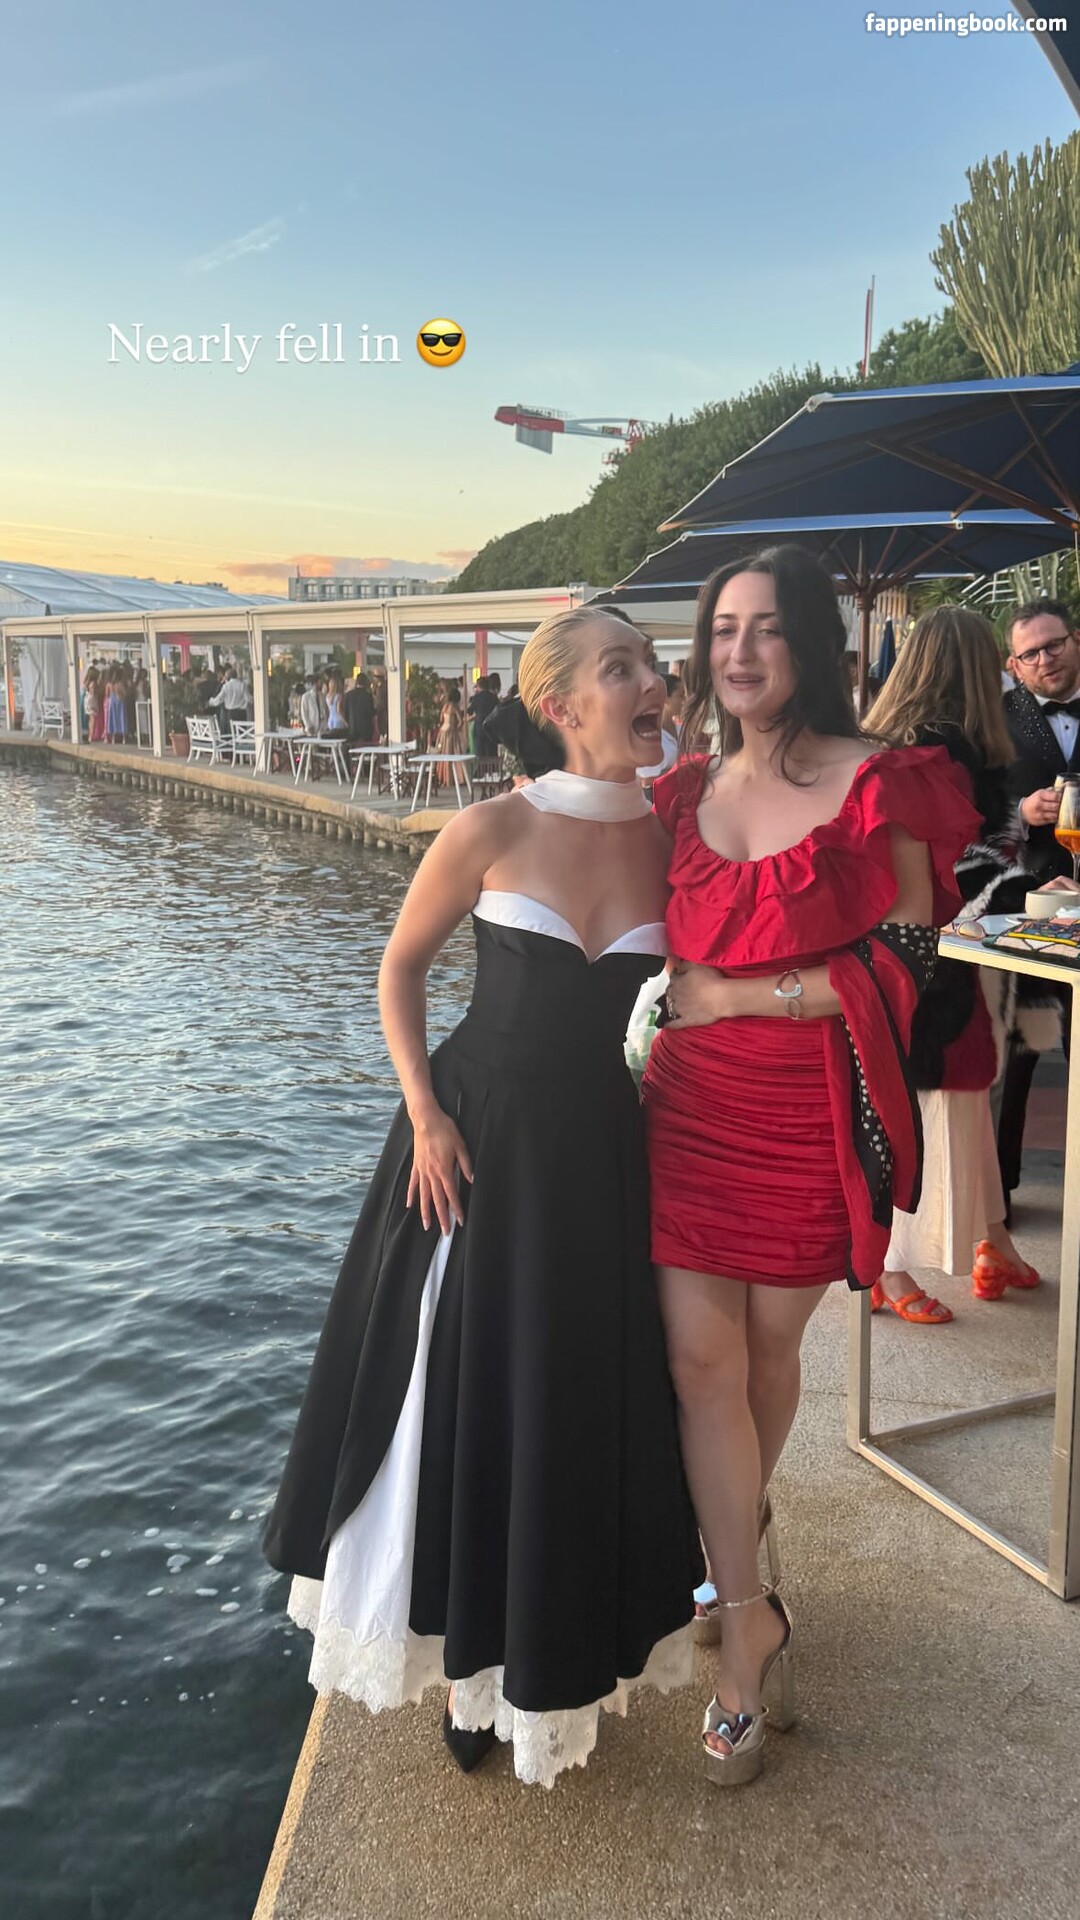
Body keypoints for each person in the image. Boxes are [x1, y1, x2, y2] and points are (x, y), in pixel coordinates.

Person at [263, 607, 702, 1786]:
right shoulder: (491, 826)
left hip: (601, 1158)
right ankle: (469, 1674)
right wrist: (424, 1113)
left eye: (651, 665)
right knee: (465, 1403)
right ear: (562, 704)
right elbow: (399, 969)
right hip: (477, 1151)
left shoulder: (676, 838)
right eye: (622, 667)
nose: (652, 682)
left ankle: (564, 1653)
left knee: (577, 1403)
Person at [643, 546, 980, 1787]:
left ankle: (734, 1541)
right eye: (722, 629)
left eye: (766, 628)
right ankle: (748, 1624)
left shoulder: (881, 782)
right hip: (687, 1115)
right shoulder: (677, 792)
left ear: (814, 645)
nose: (739, 651)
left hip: (808, 1117)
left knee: (767, 1358)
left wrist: (742, 996)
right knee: (700, 1364)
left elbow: (909, 959)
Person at [864, 607, 1056, 1322]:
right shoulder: (944, 747)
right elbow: (961, 865)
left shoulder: (902, 738)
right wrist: (1028, 886)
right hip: (936, 954)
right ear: (976, 665)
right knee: (936, 1102)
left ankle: (992, 1240)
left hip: (912, 946)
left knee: (961, 1098)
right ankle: (886, 1265)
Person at [997, 600, 1080, 1203]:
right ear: (1014, 665)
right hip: (1030, 909)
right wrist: (1021, 812)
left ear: (1076, 641)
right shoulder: (995, 721)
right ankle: (999, 1197)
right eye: (1031, 653)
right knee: (1018, 1053)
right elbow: (975, 813)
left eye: (1055, 645)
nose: (1045, 659)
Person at [433, 682, 467, 782]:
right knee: (453, 753)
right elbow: (460, 721)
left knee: (443, 753)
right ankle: (453, 777)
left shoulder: (445, 706)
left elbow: (441, 720)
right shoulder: (455, 707)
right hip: (451, 732)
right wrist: (457, 727)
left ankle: (442, 776)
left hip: (442, 731)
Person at [210, 663, 248, 739]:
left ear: (227, 677)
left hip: (231, 713)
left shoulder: (226, 686)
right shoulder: (242, 685)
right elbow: (248, 698)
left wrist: (210, 702)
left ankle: (233, 745)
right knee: (242, 733)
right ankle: (241, 745)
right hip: (242, 713)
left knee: (232, 734)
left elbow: (218, 700)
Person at [467, 675, 498, 755]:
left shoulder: (476, 698)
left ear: (478, 686)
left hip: (479, 727)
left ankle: (480, 763)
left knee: (479, 753)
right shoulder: (494, 697)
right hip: (491, 727)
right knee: (491, 753)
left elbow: (469, 711)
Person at [345, 672, 375, 744]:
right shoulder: (367, 695)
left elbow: (346, 711)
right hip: (365, 728)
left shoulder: (348, 695)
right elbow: (371, 712)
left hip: (352, 727)